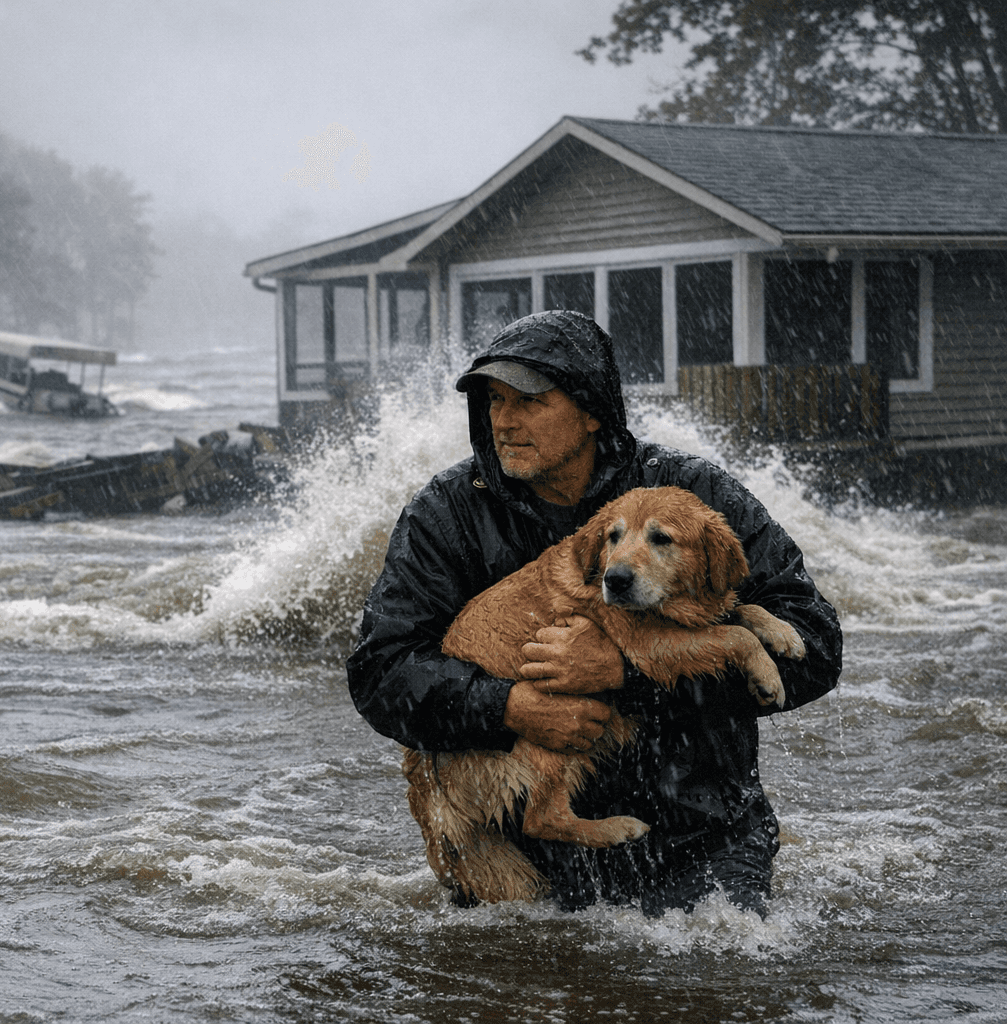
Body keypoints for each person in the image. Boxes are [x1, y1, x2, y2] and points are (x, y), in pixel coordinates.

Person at [346, 309, 842, 917]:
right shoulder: (446, 514)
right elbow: (381, 675)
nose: (503, 420)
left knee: (719, 987)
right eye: (493, 401)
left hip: (696, 835)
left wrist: (626, 677)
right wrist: (510, 708)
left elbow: (817, 651)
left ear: (590, 412)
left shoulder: (695, 496)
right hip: (522, 845)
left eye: (528, 401)